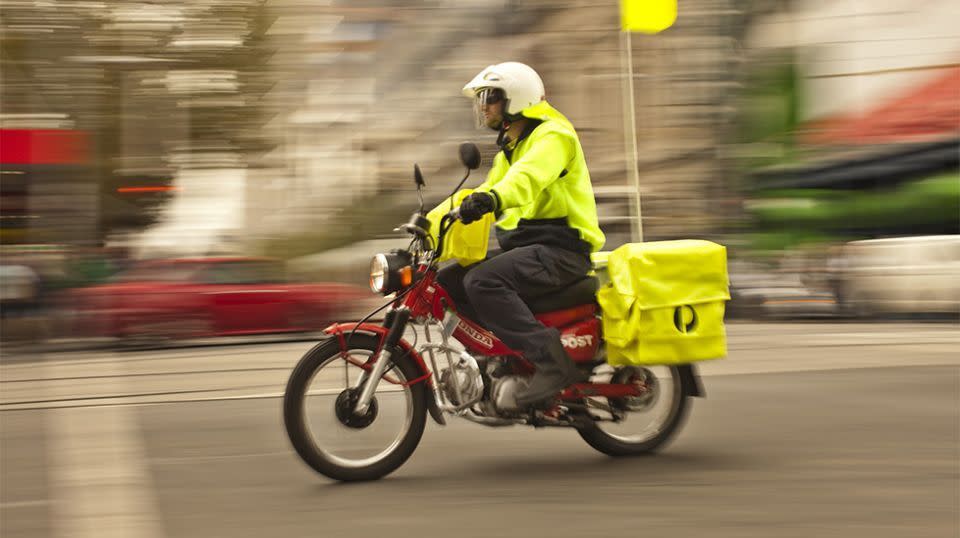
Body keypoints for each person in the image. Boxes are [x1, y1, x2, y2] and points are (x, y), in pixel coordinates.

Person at [437, 61, 605, 407]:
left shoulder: (553, 136)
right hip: (532, 250)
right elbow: (474, 196)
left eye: (491, 97)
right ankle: (494, 361)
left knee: (483, 281)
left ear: (516, 99)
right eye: (482, 98)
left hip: (562, 250)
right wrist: (426, 227)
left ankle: (551, 362)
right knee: (448, 282)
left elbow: (525, 180)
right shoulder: (509, 153)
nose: (483, 106)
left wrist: (492, 199)